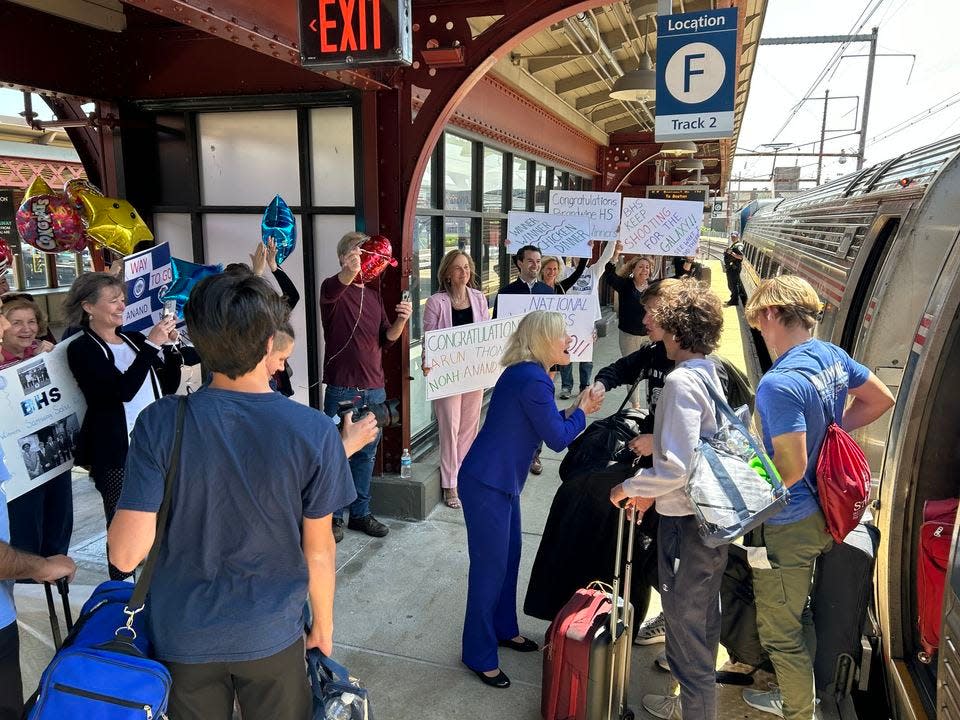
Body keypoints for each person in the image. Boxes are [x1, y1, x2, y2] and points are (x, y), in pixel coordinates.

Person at [108, 272, 356, 720]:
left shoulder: (160, 421)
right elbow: (319, 550)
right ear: (269, 344)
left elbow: (125, 556)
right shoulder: (315, 430)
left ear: (198, 341)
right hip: (273, 632)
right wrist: (324, 624)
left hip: (181, 636)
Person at [740, 276, 895, 720]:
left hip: (790, 524)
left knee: (779, 633)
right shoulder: (830, 356)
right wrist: (834, 431)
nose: (760, 333)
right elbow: (879, 399)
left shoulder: (780, 383)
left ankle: (797, 710)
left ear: (771, 314)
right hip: (827, 515)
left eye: (759, 323)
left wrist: (742, 477)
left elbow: (787, 470)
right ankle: (801, 694)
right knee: (798, 610)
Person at [459, 311, 602, 689]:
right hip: (487, 483)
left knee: (509, 557)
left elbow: (547, 422)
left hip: (498, 481)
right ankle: (478, 652)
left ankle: (504, 629)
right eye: (562, 336)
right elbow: (557, 438)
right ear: (543, 341)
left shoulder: (528, 374)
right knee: (490, 570)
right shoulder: (533, 379)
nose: (568, 340)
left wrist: (574, 411)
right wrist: (583, 412)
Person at [609, 278, 728, 720]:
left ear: (677, 330)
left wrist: (630, 489)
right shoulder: (709, 371)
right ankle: (692, 703)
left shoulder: (680, 382)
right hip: (708, 523)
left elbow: (677, 465)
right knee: (702, 621)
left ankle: (693, 709)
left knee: (686, 628)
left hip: (687, 525)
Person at [64, 272, 188, 580]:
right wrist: (152, 345)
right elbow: (121, 392)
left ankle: (162, 589)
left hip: (156, 443)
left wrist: (169, 349)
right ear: (88, 307)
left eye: (122, 300)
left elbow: (166, 386)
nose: (121, 307)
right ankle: (120, 598)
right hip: (116, 450)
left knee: (167, 518)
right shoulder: (81, 348)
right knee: (122, 526)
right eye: (112, 301)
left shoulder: (132, 338)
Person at [0, 305, 77, 720]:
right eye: (17, 322)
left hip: (51, 466)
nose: (26, 329)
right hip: (16, 480)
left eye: (32, 322)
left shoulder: (51, 357)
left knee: (54, 527)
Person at [320, 231, 412, 543]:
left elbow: (386, 339)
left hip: (374, 389)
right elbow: (338, 283)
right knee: (337, 453)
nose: (366, 258)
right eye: (360, 252)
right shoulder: (332, 288)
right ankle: (332, 518)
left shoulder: (372, 296)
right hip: (343, 389)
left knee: (366, 455)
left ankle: (360, 513)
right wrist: (350, 268)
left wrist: (401, 321)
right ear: (345, 256)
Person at [422, 250, 490, 509]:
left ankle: (462, 476)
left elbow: (486, 335)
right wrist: (428, 364)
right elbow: (430, 340)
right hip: (447, 375)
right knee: (450, 427)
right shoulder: (436, 302)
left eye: (467, 267)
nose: (464, 272)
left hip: (473, 373)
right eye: (459, 268)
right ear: (447, 274)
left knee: (469, 428)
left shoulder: (479, 298)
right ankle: (449, 484)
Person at [494, 244, 555, 474]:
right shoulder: (506, 293)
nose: (535, 265)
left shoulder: (548, 292)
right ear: (519, 263)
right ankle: (513, 452)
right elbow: (497, 329)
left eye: (538, 261)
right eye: (530, 261)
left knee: (540, 409)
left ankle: (534, 455)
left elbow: (555, 329)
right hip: (515, 362)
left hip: (541, 362)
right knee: (514, 410)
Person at [542, 240, 617, 399]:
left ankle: (584, 386)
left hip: (588, 321)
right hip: (568, 321)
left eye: (583, 255)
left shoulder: (594, 271)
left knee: (586, 357)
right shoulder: (566, 272)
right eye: (577, 254)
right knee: (567, 355)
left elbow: (606, 256)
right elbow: (556, 254)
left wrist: (613, 238)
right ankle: (566, 387)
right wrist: (552, 235)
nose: (580, 257)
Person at [603, 248, 654, 409]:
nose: (644, 270)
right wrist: (615, 254)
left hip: (650, 336)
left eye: (647, 267)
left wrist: (688, 261)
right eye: (640, 266)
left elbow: (677, 280)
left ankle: (652, 402)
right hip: (629, 336)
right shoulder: (625, 286)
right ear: (633, 269)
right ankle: (636, 405)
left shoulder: (654, 288)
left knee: (652, 370)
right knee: (633, 370)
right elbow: (609, 276)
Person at [723, 231, 747, 307]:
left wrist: (730, 253)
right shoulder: (734, 244)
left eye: (734, 236)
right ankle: (733, 298)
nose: (733, 238)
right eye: (732, 236)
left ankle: (734, 300)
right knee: (731, 284)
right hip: (731, 268)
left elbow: (741, 256)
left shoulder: (739, 245)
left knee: (733, 284)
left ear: (738, 237)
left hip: (734, 268)